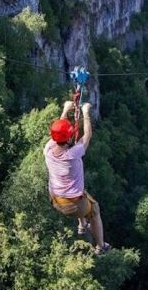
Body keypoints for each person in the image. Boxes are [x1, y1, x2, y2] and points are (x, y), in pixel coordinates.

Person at [44, 99, 111, 254]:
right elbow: (87, 135)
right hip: (73, 205)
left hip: (56, 200)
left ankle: (82, 225)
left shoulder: (48, 149)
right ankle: (101, 247)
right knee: (94, 210)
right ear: (69, 138)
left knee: (80, 191)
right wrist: (86, 113)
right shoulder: (72, 154)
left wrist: (65, 109)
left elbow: (58, 131)